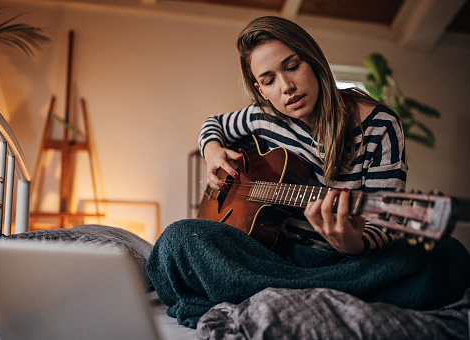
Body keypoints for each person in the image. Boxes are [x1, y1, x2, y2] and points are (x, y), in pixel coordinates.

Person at [146, 16, 470, 329]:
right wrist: (212, 151)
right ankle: (317, 297)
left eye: (292, 66)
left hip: (347, 264)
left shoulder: (379, 125)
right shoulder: (261, 116)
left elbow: (388, 223)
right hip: (272, 256)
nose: (286, 87)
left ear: (313, 61)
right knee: (178, 239)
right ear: (261, 90)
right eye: (270, 80)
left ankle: (273, 296)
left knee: (445, 257)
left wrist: (353, 243)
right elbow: (213, 125)